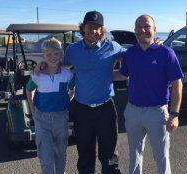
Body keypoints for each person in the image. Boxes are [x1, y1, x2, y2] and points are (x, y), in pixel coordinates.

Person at [36, 11, 124, 174]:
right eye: (90, 26)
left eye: (97, 27)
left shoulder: (113, 47)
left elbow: (134, 57)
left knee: (110, 155)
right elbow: (57, 64)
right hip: (82, 109)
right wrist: (43, 63)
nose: (93, 30)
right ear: (83, 28)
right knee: (85, 155)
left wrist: (155, 45)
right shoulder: (73, 50)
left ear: (102, 30)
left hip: (105, 109)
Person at [114, 14, 183, 174]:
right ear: (135, 30)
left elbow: (177, 83)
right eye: (139, 27)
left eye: (147, 26)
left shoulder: (166, 53)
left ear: (155, 29)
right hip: (133, 111)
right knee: (135, 155)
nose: (142, 30)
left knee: (161, 157)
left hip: (157, 113)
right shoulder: (130, 53)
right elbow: (123, 75)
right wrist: (97, 73)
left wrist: (174, 114)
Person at [26, 37, 74, 174]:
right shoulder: (37, 74)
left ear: (61, 55)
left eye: (56, 53)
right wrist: (33, 111)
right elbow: (28, 89)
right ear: (44, 56)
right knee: (45, 156)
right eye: (48, 54)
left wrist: (66, 103)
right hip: (42, 119)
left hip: (61, 118)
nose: (52, 57)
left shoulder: (67, 74)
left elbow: (72, 89)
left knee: (60, 153)